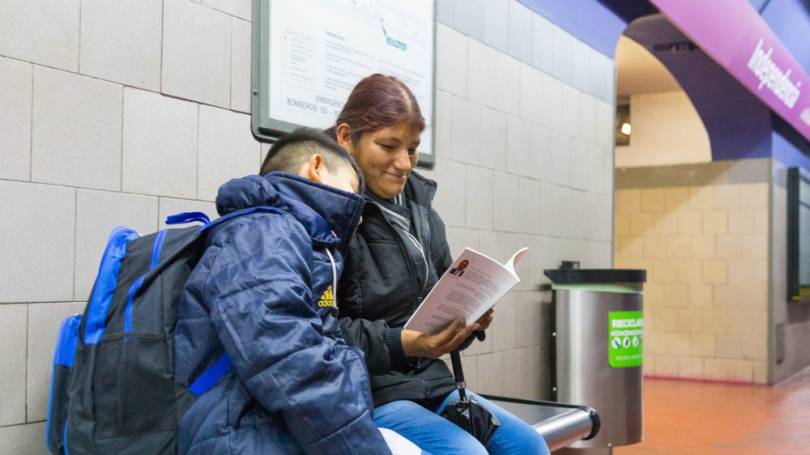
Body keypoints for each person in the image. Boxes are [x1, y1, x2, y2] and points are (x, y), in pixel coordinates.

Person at [331, 74, 551, 454]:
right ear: (346, 137)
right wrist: (403, 343)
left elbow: (442, 291)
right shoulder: (332, 215)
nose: (404, 163)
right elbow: (321, 330)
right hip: (371, 390)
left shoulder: (422, 212)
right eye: (388, 146)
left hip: (432, 382)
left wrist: (468, 319)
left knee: (528, 446)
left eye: (413, 149)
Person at [173, 128, 393, 454]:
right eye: (352, 190)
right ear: (316, 167)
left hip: (266, 425)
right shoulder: (263, 232)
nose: (358, 218)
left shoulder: (294, 240)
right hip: (241, 434)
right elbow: (292, 359)